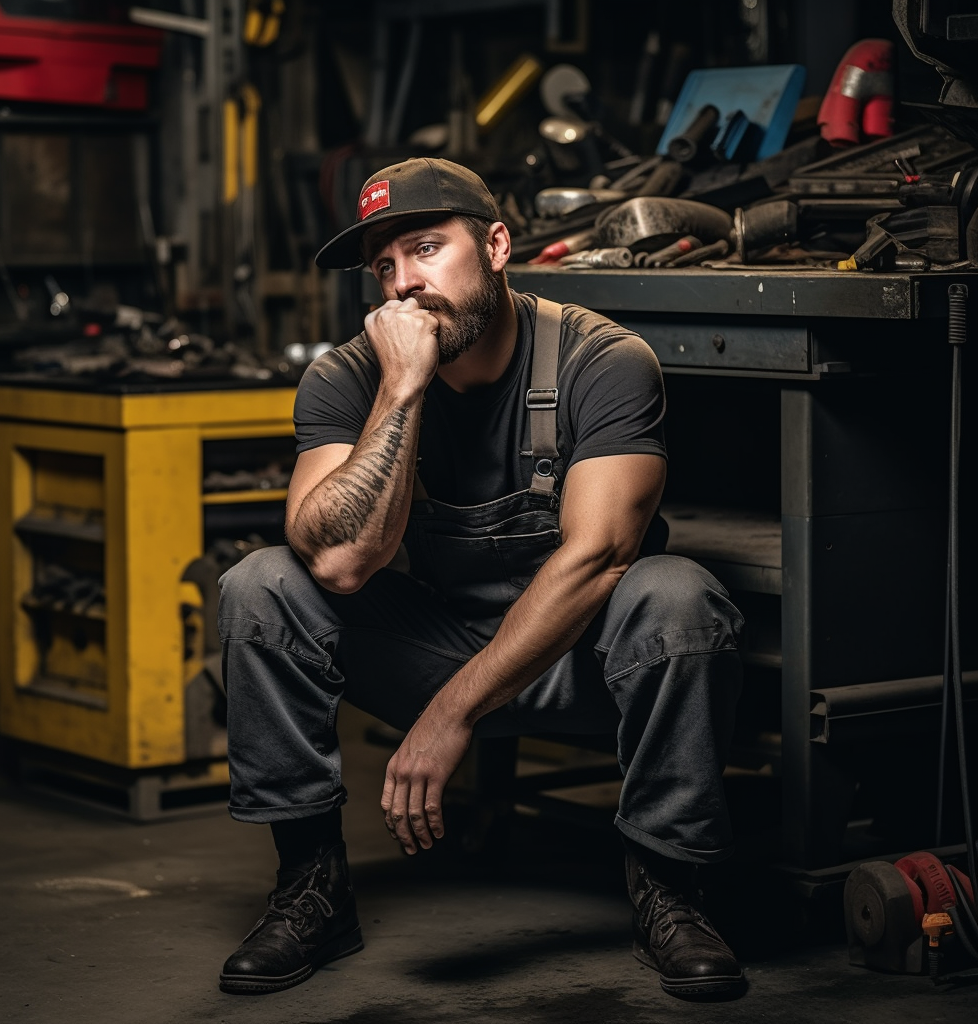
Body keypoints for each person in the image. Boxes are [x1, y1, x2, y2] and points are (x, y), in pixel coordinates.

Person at [216, 157, 747, 1001]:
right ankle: (311, 885)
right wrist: (403, 387)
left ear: (497, 245)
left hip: (581, 659)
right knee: (261, 586)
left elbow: (600, 557)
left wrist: (448, 715)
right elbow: (341, 560)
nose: (404, 285)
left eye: (426, 249)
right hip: (432, 641)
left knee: (676, 597)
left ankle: (671, 888)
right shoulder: (348, 376)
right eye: (384, 268)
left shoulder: (602, 360)